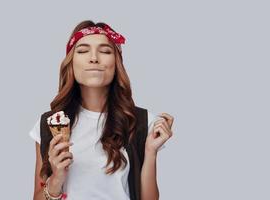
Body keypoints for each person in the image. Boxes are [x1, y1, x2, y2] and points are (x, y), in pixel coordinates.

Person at [29, 20, 174, 200]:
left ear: (117, 63)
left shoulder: (142, 121)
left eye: (105, 51)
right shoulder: (50, 123)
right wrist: (56, 179)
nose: (94, 58)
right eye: (82, 50)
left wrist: (150, 152)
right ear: (71, 63)